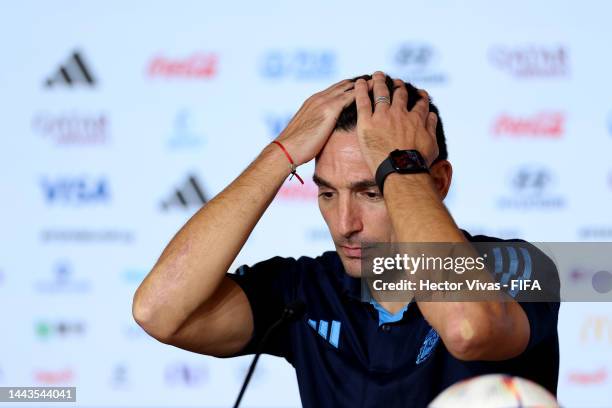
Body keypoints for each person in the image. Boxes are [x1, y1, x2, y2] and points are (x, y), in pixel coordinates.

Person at [132, 71, 559, 407]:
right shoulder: (305, 290)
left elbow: (467, 327)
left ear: (438, 181)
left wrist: (400, 167)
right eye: (327, 193)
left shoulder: (519, 265)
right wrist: (280, 153)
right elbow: (159, 310)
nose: (344, 223)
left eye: (371, 192)